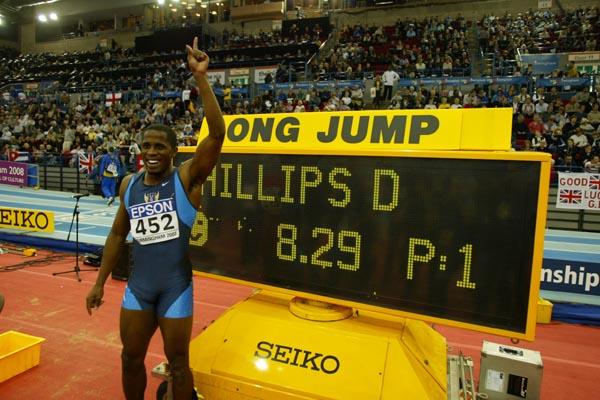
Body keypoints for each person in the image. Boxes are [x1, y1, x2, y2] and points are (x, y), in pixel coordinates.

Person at [85, 37, 225, 400]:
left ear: (174, 152)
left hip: (175, 288)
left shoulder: (186, 178)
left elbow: (218, 134)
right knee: (130, 358)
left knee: (179, 364)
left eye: (159, 146)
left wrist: (201, 79)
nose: (151, 152)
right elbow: (118, 236)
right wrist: (99, 282)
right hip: (138, 288)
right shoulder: (129, 185)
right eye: (145, 146)